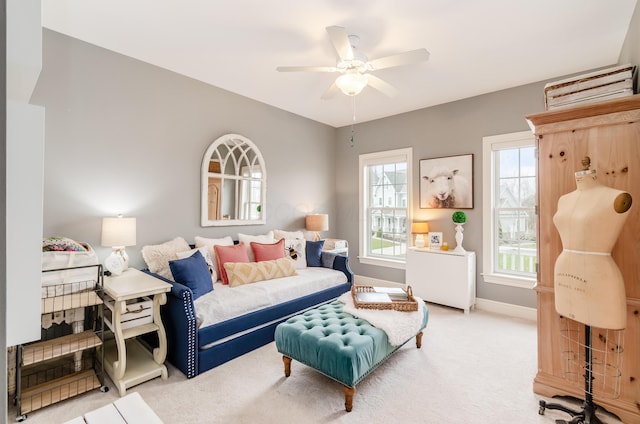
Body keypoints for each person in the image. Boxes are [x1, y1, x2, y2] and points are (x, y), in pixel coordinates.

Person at [553, 167, 632, 329]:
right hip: (563, 269)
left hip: (598, 273)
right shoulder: (564, 200)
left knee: (605, 334)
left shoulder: (616, 197)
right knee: (567, 336)